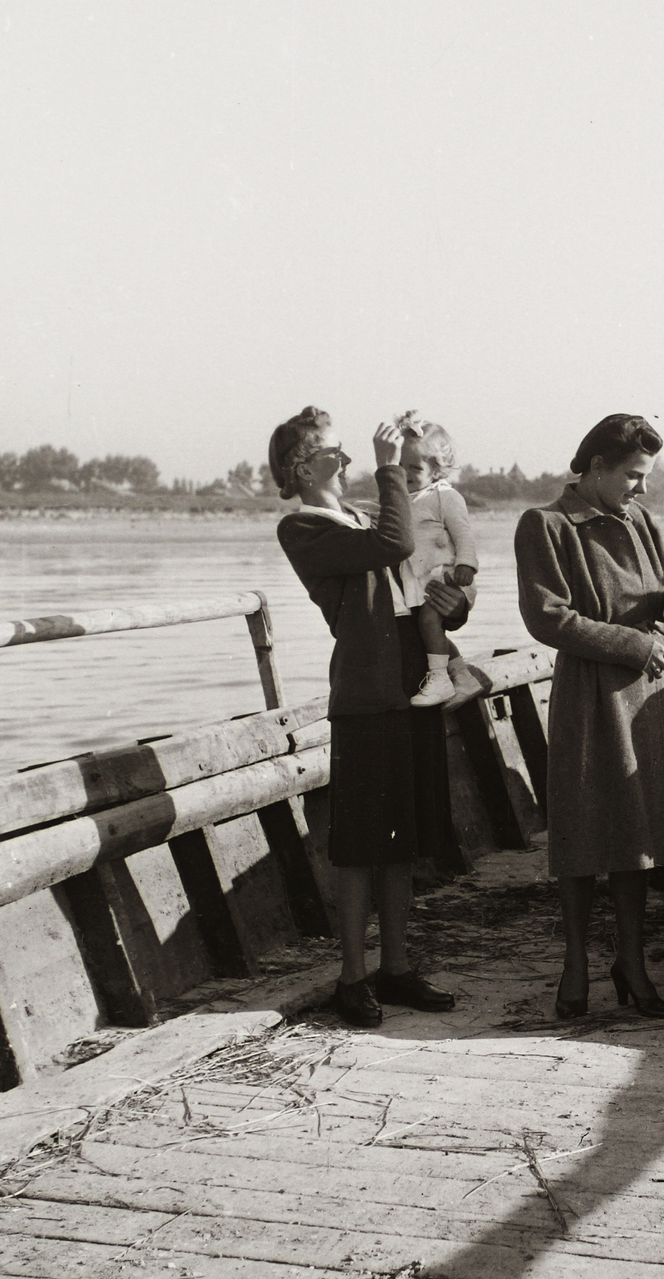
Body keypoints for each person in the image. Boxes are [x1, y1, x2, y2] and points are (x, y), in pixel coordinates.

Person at [271, 407, 469, 1028]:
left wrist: (453, 603)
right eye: (335, 452)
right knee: (359, 847)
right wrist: (390, 470)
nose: (349, 460)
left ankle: (397, 968)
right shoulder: (303, 528)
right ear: (303, 467)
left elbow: (417, 579)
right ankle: (352, 977)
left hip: (410, 690)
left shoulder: (361, 516)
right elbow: (396, 543)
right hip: (364, 701)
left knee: (400, 843)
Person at [515, 413, 664, 1020]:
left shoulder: (639, 520)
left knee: (636, 836)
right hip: (591, 697)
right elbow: (548, 618)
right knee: (581, 833)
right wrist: (635, 645)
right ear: (597, 468)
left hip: (648, 700)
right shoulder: (545, 525)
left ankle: (632, 962)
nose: (641, 488)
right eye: (633, 475)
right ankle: (575, 963)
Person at [393, 410, 479, 707]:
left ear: (436, 470)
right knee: (427, 627)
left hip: (448, 576)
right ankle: (463, 677)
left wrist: (467, 565)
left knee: (429, 621)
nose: (405, 474)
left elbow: (464, 534)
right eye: (400, 466)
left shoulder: (445, 496)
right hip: (421, 577)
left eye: (414, 468)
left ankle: (440, 679)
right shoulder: (408, 498)